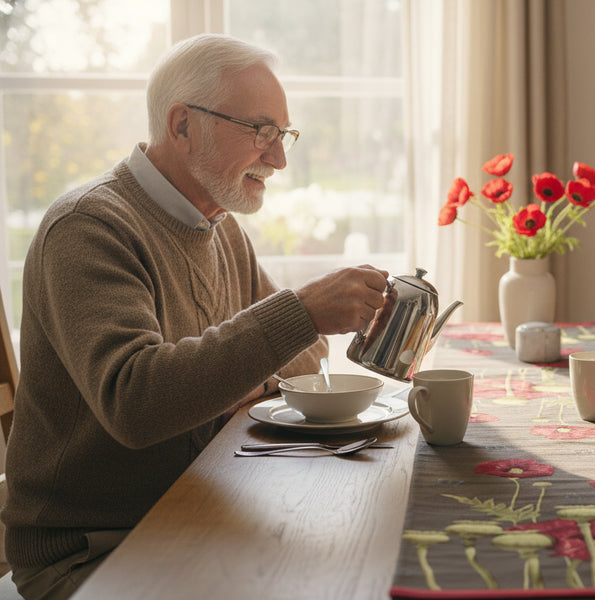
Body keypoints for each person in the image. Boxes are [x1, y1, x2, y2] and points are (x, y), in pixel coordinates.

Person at [0, 33, 390, 599]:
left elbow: (304, 352)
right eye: (261, 132)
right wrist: (297, 316)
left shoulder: (222, 229)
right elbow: (135, 403)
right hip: (95, 551)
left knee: (361, 555)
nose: (279, 159)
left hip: (199, 509)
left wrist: (224, 377)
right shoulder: (88, 228)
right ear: (183, 125)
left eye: (283, 136)